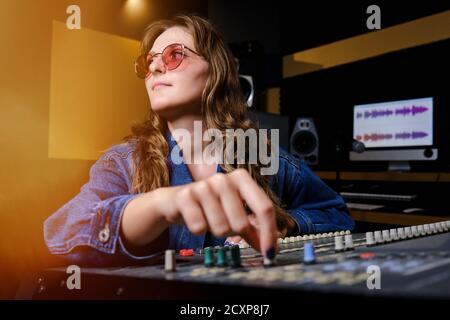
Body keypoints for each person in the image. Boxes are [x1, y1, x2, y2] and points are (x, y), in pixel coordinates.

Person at [44, 14, 354, 267]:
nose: (154, 67)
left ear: (214, 71)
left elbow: (338, 215)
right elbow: (60, 234)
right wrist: (160, 205)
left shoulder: (265, 157)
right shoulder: (123, 162)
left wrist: (287, 224)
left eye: (174, 55)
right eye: (148, 62)